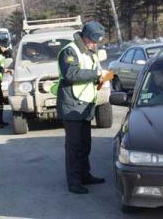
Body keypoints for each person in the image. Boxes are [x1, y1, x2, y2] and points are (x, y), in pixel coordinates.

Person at [56, 21, 112, 194]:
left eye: (97, 41)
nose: (95, 44)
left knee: (85, 144)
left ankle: (85, 175)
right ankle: (74, 182)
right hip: (72, 104)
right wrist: (96, 74)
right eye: (93, 41)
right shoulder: (70, 51)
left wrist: (103, 78)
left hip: (85, 104)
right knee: (74, 146)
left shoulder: (90, 51)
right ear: (85, 36)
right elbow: (71, 74)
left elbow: (91, 72)